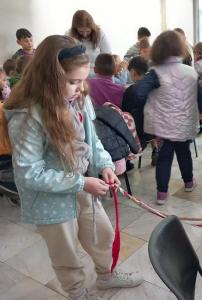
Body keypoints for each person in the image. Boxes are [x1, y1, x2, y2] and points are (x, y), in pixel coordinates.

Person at [3, 35, 142, 300]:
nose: (80, 88)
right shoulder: (26, 115)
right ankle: (77, 294)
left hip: (80, 184)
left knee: (102, 233)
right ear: (49, 77)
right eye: (72, 81)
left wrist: (104, 166)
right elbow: (28, 172)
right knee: (65, 253)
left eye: (82, 80)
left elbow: (93, 139)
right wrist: (81, 183)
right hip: (50, 200)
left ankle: (106, 275)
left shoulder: (79, 97)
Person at [131, 30, 198, 205]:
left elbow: (137, 93)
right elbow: (198, 96)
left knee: (164, 157)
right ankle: (189, 182)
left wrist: (149, 103)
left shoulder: (155, 73)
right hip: (185, 123)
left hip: (164, 126)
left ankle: (162, 193)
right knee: (184, 153)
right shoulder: (191, 72)